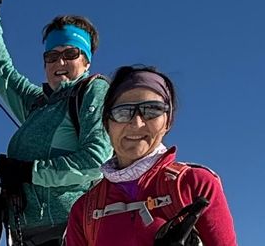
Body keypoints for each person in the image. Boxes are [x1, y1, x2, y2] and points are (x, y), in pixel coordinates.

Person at [0, 0, 113, 245]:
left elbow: (95, 162)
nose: (59, 63)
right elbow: (1, 72)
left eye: (70, 53)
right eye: (51, 56)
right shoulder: (38, 103)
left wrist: (28, 171)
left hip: (72, 228)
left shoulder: (92, 91)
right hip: (27, 232)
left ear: (86, 60)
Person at [65, 66, 237, 245]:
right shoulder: (84, 210)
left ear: (167, 121)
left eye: (151, 110)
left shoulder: (195, 184)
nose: (137, 123)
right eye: (123, 112)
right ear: (107, 123)